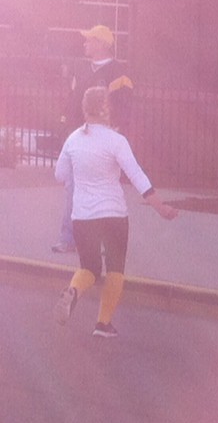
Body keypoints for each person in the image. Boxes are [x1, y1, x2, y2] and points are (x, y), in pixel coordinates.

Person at [53, 86, 177, 338]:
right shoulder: (116, 141)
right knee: (115, 269)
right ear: (106, 109)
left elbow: (60, 175)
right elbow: (136, 175)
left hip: (83, 216)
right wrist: (160, 207)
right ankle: (103, 324)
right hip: (113, 215)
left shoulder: (74, 139)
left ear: (85, 109)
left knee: (89, 268)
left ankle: (74, 290)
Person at [51, 24, 134, 253]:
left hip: (104, 141)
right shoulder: (81, 69)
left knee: (103, 192)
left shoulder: (119, 73)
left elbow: (124, 106)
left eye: (89, 40)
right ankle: (69, 239)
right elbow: (72, 100)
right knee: (72, 188)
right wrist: (65, 125)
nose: (85, 43)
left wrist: (115, 132)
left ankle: (102, 242)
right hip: (80, 137)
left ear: (101, 44)